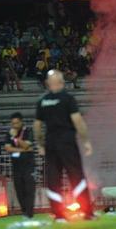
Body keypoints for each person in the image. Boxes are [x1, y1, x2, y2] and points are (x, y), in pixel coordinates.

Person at [34, 70, 94, 222]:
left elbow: (37, 125)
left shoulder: (42, 101)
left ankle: (58, 214)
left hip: (51, 142)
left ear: (47, 83)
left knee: (53, 178)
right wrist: (86, 141)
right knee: (76, 175)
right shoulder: (68, 99)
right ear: (62, 82)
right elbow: (78, 121)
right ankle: (86, 212)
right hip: (67, 141)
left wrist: (40, 144)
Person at [4, 112, 35, 219]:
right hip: (16, 165)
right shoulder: (9, 133)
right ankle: (24, 211)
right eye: (13, 123)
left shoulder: (28, 131)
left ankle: (29, 213)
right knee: (19, 189)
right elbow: (8, 148)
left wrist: (16, 137)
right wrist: (23, 150)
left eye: (17, 123)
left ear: (21, 122)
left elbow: (26, 144)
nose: (15, 126)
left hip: (28, 164)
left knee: (29, 188)